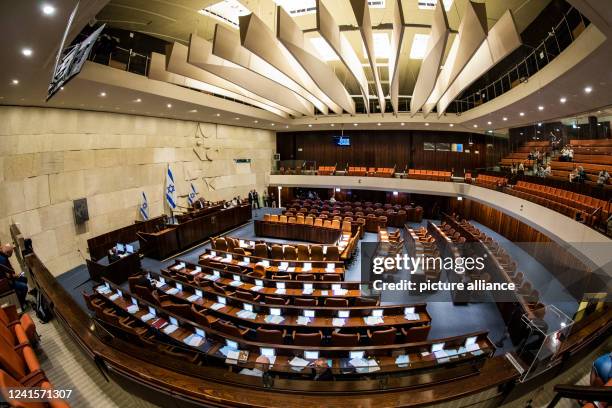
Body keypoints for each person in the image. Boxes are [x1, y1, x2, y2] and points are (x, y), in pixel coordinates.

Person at [0, 244, 28, 309]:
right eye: (10, 254)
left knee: (24, 279)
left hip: (6, 279)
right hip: (5, 282)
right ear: (7, 253)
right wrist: (16, 275)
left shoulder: (2, 254)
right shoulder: (2, 259)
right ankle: (21, 303)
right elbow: (8, 275)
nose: (11, 255)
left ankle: (21, 298)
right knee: (24, 287)